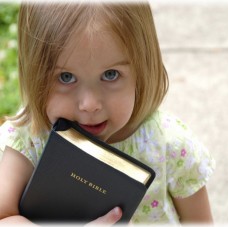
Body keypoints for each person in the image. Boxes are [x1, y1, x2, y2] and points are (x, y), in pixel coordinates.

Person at [0, 1, 215, 225]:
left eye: (110, 74)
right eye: (66, 77)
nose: (90, 104)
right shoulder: (29, 139)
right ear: (35, 74)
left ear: (142, 70)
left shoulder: (169, 145)